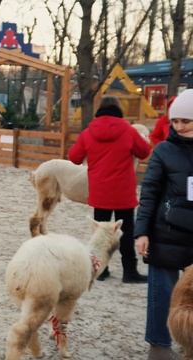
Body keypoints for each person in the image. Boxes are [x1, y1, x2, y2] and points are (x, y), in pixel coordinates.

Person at [135, 89, 193, 360]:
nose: (179, 126)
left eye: (186, 121)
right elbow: (149, 193)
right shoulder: (164, 151)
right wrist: (142, 232)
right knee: (162, 292)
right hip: (166, 232)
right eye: (175, 121)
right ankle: (158, 344)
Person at [68, 96, 152, 283]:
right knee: (127, 231)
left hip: (100, 191)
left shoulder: (89, 132)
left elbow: (74, 157)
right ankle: (129, 271)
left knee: (100, 233)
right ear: (118, 111)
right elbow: (144, 152)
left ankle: (100, 270)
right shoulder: (128, 131)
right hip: (123, 191)